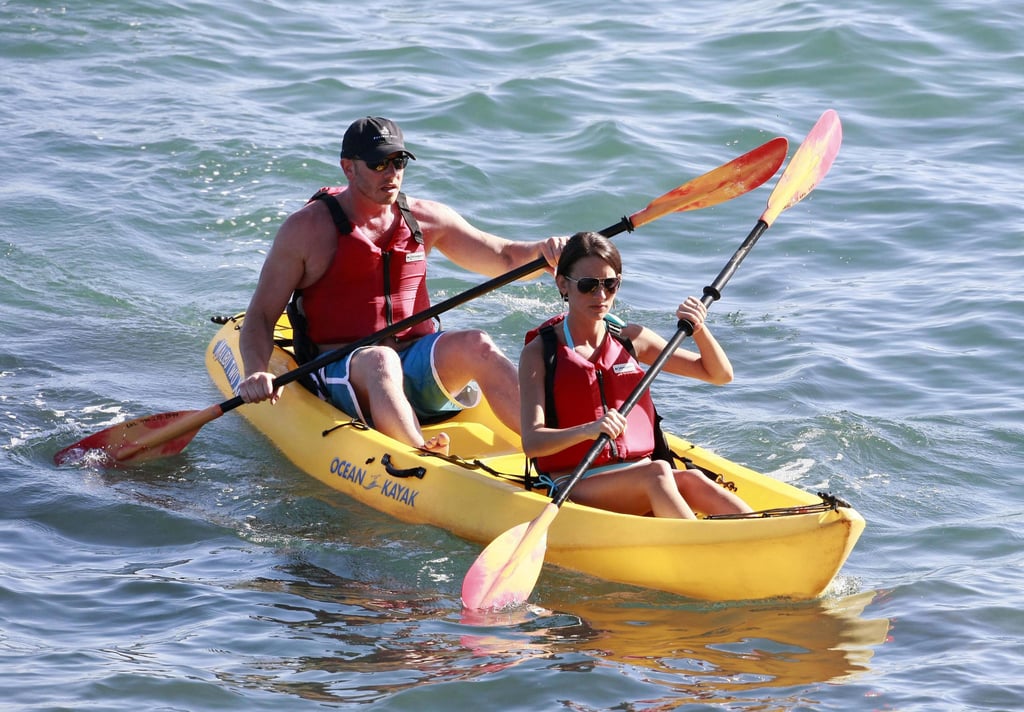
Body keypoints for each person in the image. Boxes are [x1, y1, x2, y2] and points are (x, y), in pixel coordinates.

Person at [237, 116, 566, 454]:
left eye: (398, 162)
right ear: (348, 168)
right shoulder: (306, 229)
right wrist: (255, 372)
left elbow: (505, 257)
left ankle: (555, 447)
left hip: (413, 361)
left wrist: (547, 251)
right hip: (341, 369)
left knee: (477, 343)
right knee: (381, 360)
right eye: (378, 163)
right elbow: (261, 315)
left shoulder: (425, 219)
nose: (390, 172)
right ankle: (421, 456)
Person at [519, 231, 752, 518]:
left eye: (610, 284)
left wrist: (700, 330)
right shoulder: (541, 351)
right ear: (563, 284)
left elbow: (719, 375)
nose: (601, 295)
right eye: (589, 285)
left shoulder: (631, 339)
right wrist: (589, 430)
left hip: (640, 474)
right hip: (576, 482)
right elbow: (532, 443)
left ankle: (768, 536)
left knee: (691, 479)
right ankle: (700, 549)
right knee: (658, 473)